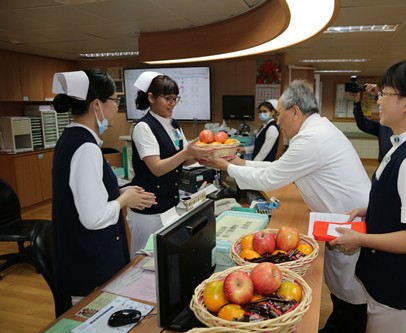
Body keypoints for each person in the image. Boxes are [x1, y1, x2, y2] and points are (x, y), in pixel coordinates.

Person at [202, 80, 372, 333]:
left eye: (280, 114)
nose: (277, 121)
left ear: (295, 111)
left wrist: (227, 166)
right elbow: (279, 168)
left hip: (350, 221)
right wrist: (240, 164)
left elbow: (271, 178)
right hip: (341, 217)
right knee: (343, 289)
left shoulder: (312, 139)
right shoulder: (316, 131)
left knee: (352, 294)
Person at [332, 60, 406, 333]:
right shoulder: (404, 144)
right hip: (390, 285)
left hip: (400, 291)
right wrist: (371, 210)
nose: (379, 101)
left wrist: (359, 239)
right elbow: (399, 199)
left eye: (384, 94)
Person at [51, 69, 157, 303]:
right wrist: (123, 201)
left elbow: (84, 196)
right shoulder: (85, 147)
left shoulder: (71, 139)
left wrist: (121, 192)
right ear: (96, 105)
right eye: (115, 100)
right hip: (90, 263)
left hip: (84, 257)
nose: (116, 107)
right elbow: (92, 217)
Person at [127, 71, 213, 256]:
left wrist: (200, 155)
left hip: (169, 203)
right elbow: (157, 168)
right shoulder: (144, 127)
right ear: (151, 97)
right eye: (167, 98)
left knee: (164, 257)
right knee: (143, 259)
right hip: (149, 209)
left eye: (175, 98)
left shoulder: (173, 124)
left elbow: (183, 158)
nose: (172, 104)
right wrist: (187, 152)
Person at [352, 84, 393, 162]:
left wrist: (379, 93)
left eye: (387, 95)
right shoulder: (384, 126)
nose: (378, 102)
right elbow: (363, 123)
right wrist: (356, 99)